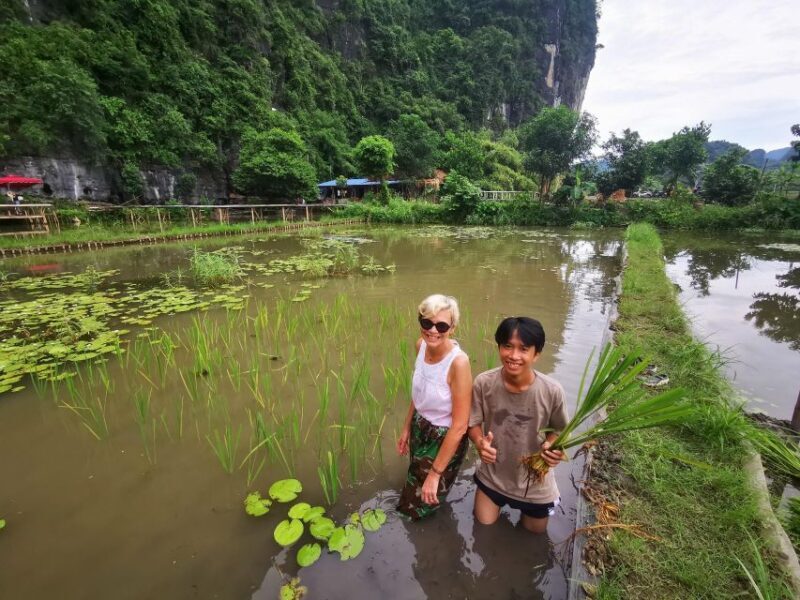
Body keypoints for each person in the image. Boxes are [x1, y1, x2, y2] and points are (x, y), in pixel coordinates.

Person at [468, 317, 568, 534]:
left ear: (536, 354)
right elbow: (473, 422)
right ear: (499, 347)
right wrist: (479, 442)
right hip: (493, 477)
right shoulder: (484, 383)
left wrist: (553, 447)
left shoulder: (551, 391)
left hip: (535, 484)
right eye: (507, 346)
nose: (513, 355)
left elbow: (560, 430)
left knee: (533, 537)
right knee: (482, 531)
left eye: (523, 349)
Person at [397, 294, 473, 520]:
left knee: (419, 505)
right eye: (427, 322)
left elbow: (460, 426)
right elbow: (419, 393)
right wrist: (406, 428)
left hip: (444, 437)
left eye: (441, 325)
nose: (433, 330)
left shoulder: (458, 363)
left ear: (452, 328)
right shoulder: (420, 345)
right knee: (416, 481)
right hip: (420, 426)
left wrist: (435, 473)